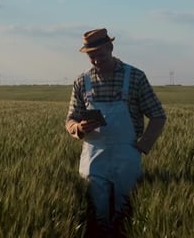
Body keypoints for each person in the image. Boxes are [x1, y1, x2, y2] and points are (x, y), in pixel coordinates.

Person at [65, 28, 166, 237]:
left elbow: (158, 116)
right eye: (91, 56)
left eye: (99, 54)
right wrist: (78, 128)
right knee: (95, 209)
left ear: (110, 48)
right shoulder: (81, 82)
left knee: (127, 209)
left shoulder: (135, 77)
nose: (95, 60)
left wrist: (143, 145)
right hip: (93, 155)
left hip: (126, 154)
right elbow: (70, 119)